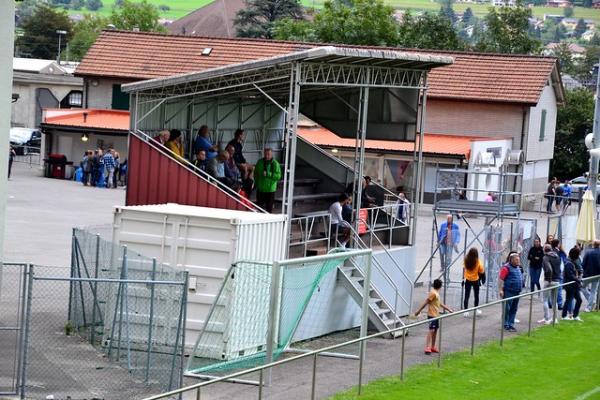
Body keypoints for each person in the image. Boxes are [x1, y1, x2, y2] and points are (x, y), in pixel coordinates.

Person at [414, 279, 453, 355]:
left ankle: (433, 346)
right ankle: (427, 347)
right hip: (432, 315)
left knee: (435, 331)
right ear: (440, 286)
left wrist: (448, 309)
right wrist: (418, 311)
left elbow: (439, 303)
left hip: (436, 315)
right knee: (431, 330)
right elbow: (426, 302)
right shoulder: (433, 293)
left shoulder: (436, 293)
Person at [499, 252, 523, 332]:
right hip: (509, 291)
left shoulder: (518, 267)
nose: (518, 261)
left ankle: (511, 324)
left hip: (517, 292)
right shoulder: (506, 268)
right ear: (511, 260)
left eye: (518, 259)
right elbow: (501, 279)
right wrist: (501, 290)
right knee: (507, 308)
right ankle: (506, 324)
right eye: (516, 260)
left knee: (514, 309)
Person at [254, 148, 281, 213]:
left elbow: (278, 176)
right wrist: (256, 184)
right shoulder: (259, 162)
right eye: (265, 154)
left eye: (268, 154)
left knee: (269, 209)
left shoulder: (275, 163)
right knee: (259, 209)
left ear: (271, 155)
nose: (266, 156)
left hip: (270, 190)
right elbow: (255, 174)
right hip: (260, 189)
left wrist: (268, 174)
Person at [562, 247, 583, 321]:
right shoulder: (568, 263)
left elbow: (577, 271)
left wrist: (579, 276)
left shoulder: (573, 262)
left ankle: (575, 315)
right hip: (570, 285)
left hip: (574, 285)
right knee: (568, 300)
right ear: (575, 255)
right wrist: (578, 280)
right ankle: (564, 316)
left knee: (579, 300)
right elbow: (570, 275)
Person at [462, 248, 485, 317]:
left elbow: (464, 268)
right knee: (476, 295)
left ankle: (465, 311)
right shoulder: (478, 262)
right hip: (475, 280)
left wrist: (463, 278)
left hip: (467, 280)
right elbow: (482, 271)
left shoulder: (466, 259)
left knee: (466, 295)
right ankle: (476, 309)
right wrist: (483, 280)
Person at [539, 244, 556, 324]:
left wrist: (549, 279)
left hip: (549, 280)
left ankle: (546, 318)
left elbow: (549, 269)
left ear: (544, 250)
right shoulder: (557, 256)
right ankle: (554, 318)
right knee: (554, 300)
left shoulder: (545, 257)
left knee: (545, 300)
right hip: (557, 280)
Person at [582, 239, 600, 312]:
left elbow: (583, 264)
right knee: (593, 291)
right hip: (597, 275)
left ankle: (590, 304)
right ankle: (591, 304)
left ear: (593, 244)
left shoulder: (588, 252)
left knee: (582, 287)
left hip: (588, 274)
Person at [551, 239, 566, 309]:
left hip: (553, 273)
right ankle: (559, 304)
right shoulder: (558, 252)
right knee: (559, 289)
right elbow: (562, 261)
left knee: (551, 289)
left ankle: (551, 303)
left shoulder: (551, 252)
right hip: (558, 273)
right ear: (558, 244)